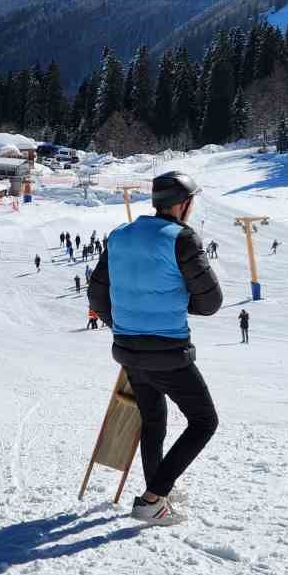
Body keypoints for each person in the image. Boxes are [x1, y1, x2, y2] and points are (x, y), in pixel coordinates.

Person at [89, 171, 223, 527]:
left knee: (153, 419)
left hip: (128, 349)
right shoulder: (182, 238)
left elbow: (97, 296)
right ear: (184, 204)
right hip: (168, 351)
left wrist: (127, 321)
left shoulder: (119, 235)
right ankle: (152, 498)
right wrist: (174, 304)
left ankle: (157, 492)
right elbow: (210, 302)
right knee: (205, 421)